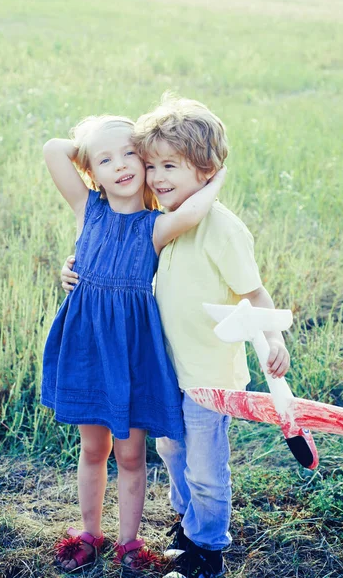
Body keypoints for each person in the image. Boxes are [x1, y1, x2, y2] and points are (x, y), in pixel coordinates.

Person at [61, 95, 290, 578]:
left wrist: (274, 339)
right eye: (153, 164)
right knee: (172, 452)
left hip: (208, 374)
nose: (157, 176)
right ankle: (188, 529)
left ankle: (207, 550)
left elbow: (255, 291)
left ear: (205, 170)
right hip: (165, 367)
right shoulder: (147, 218)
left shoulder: (210, 227)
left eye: (170, 166)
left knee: (205, 467)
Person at [41, 113, 225, 573]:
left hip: (133, 354)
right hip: (88, 348)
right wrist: (94, 144)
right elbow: (52, 149)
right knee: (93, 450)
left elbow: (193, 212)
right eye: (105, 160)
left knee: (130, 453)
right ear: (90, 171)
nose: (120, 165)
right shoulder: (89, 209)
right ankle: (89, 533)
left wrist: (219, 173)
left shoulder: (155, 227)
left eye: (130, 155)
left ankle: (128, 541)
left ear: (145, 162)